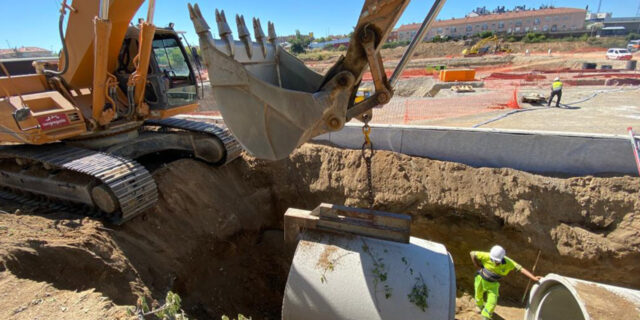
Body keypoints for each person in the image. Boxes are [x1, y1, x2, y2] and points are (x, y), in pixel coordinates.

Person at [470, 245, 542, 320]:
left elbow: (521, 269)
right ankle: (479, 305)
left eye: (497, 261)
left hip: (493, 284)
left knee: (492, 301)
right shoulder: (487, 256)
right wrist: (477, 265)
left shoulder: (509, 262)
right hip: (480, 279)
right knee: (478, 295)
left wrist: (533, 277)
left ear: (502, 259)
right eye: (493, 260)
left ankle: (486, 315)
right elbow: (472, 253)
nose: (495, 262)